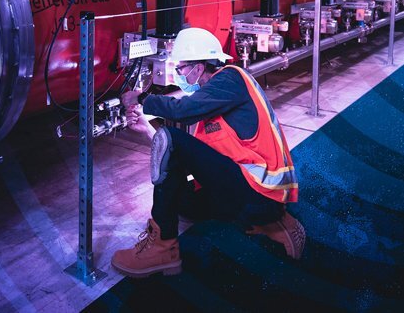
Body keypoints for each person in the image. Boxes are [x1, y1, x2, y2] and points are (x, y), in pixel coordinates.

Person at [111, 27, 305, 278]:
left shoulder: (231, 78)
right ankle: (271, 223)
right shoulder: (211, 104)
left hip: (262, 193)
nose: (178, 75)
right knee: (182, 203)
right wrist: (150, 131)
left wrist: (142, 99)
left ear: (199, 67)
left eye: (180, 68)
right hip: (246, 193)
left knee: (173, 139)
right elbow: (184, 159)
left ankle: (163, 248)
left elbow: (182, 111)